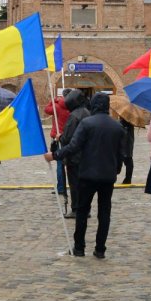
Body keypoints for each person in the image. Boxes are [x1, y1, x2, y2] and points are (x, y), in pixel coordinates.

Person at [45, 92, 127, 258]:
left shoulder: (87, 123)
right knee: (104, 213)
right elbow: (121, 154)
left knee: (82, 212)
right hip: (107, 176)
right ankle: (100, 249)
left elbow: (73, 146)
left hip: (87, 174)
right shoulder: (117, 127)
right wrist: (116, 169)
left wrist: (55, 155)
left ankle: (79, 247)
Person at [59, 89, 90, 219]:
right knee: (84, 185)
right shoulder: (87, 113)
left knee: (75, 184)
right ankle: (85, 209)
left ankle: (76, 209)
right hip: (85, 155)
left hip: (74, 156)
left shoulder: (74, 116)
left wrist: (59, 137)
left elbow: (67, 138)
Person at [44, 90, 71, 200]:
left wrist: (53, 100)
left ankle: (60, 188)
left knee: (60, 164)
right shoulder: (72, 107)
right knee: (70, 164)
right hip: (69, 137)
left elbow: (46, 110)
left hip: (57, 137)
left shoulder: (57, 106)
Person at [119, 118, 135, 185]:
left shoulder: (125, 119)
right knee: (128, 159)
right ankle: (128, 179)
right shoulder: (131, 119)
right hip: (129, 140)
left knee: (127, 159)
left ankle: (128, 179)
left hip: (126, 140)